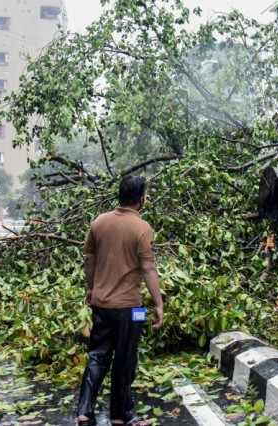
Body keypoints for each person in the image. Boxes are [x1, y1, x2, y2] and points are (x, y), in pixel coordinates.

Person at [76, 175, 164, 426]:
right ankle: (123, 414)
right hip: (131, 308)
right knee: (126, 359)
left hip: (101, 304)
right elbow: (148, 268)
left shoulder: (99, 222)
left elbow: (89, 259)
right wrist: (158, 304)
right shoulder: (142, 227)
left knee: (97, 356)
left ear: (119, 196)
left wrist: (91, 290)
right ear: (141, 199)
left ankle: (85, 411)